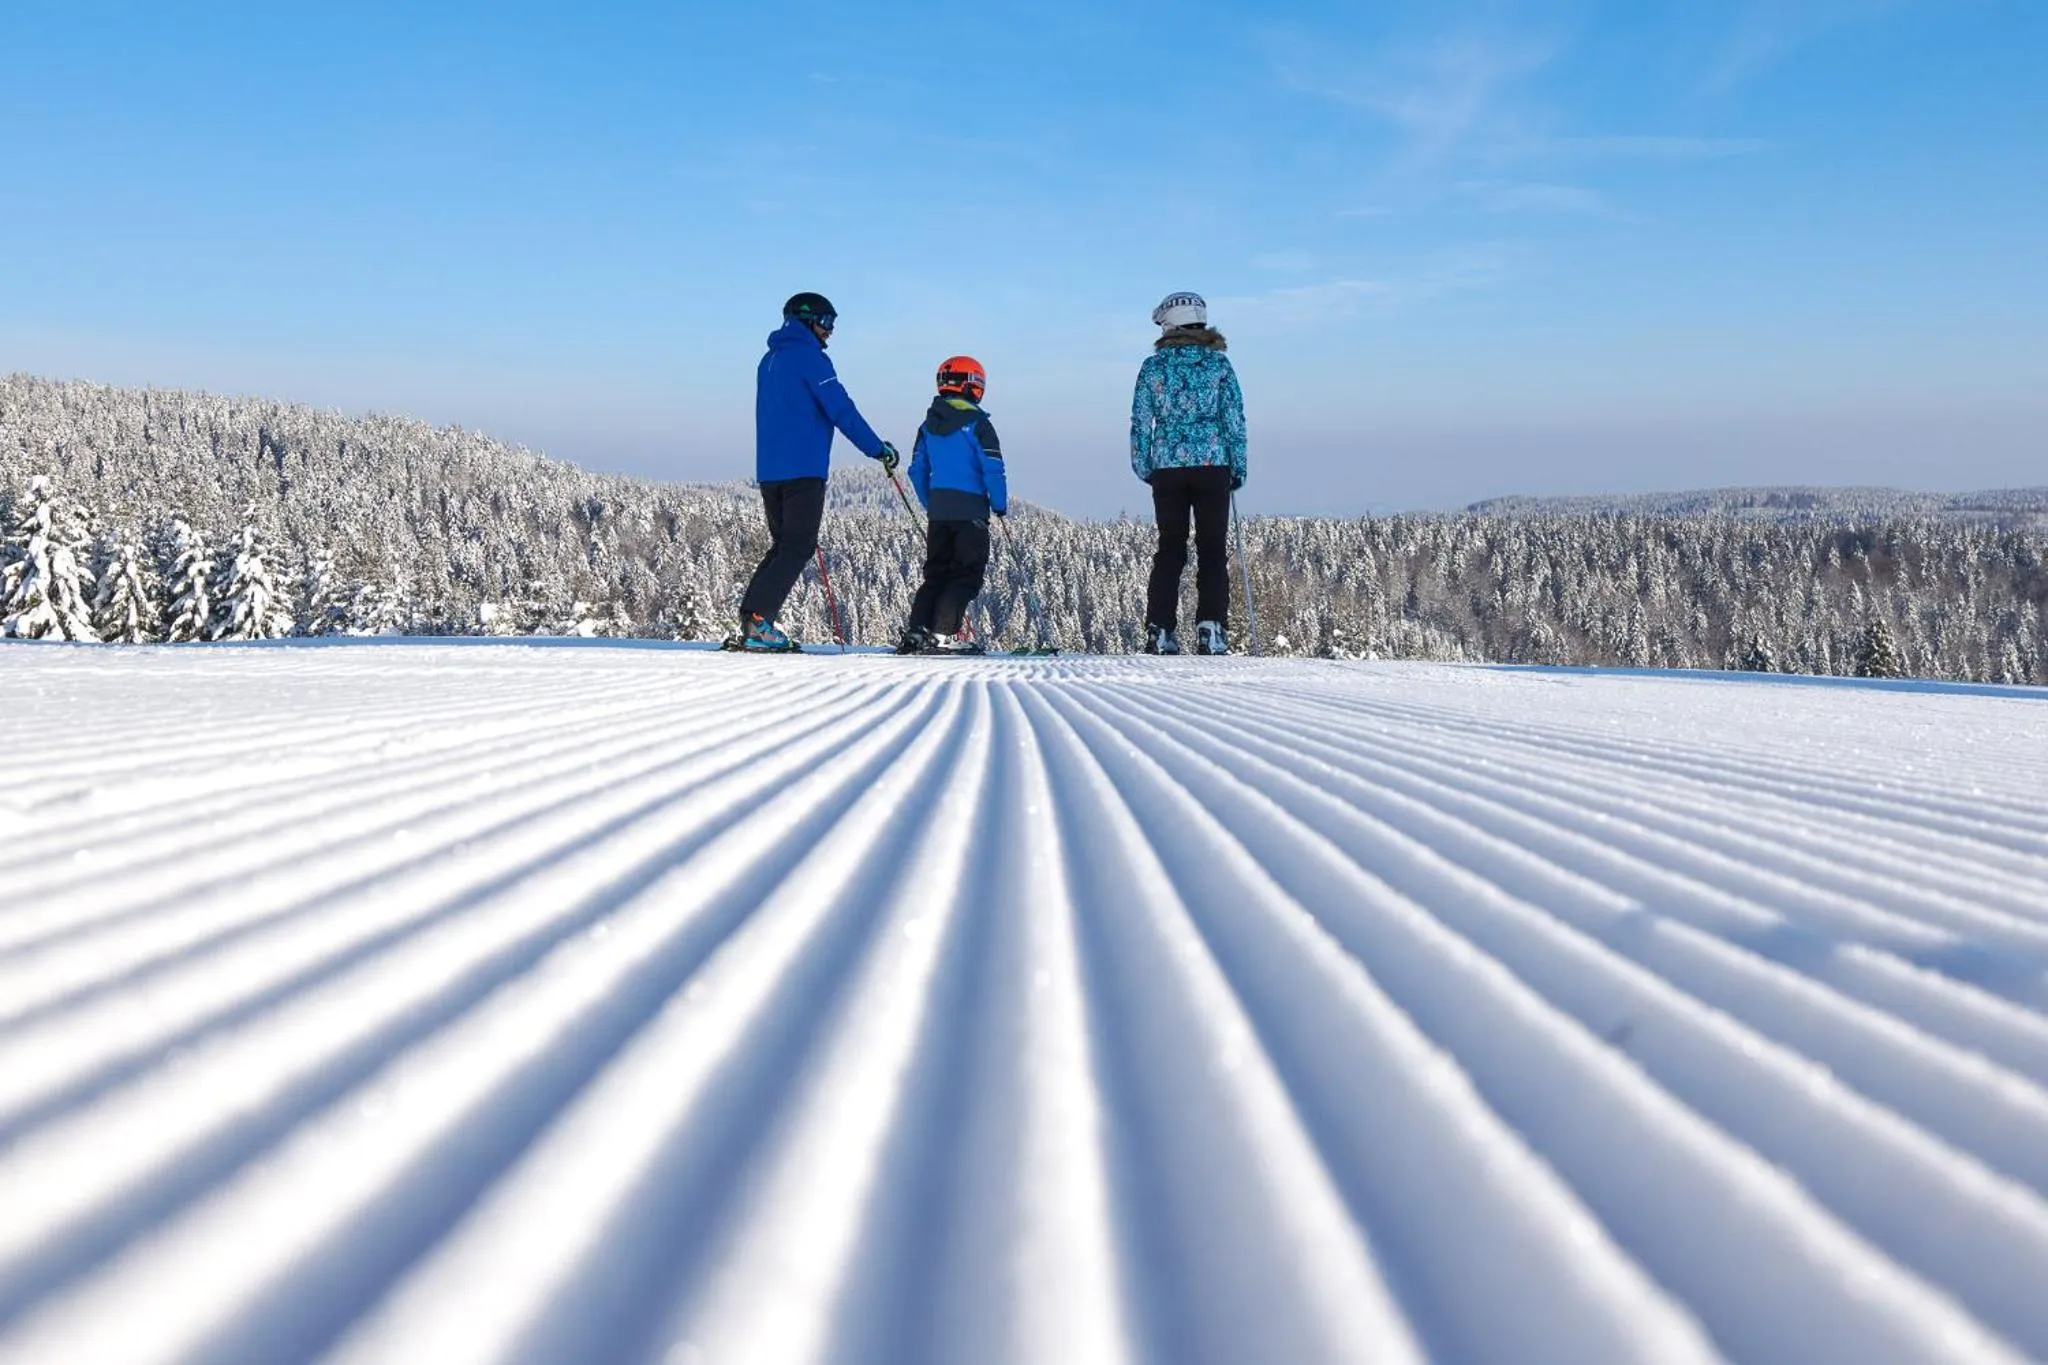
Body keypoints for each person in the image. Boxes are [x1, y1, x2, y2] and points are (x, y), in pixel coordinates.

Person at [733, 291, 899, 651]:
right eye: (827, 323)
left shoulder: (769, 360)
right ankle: (759, 624)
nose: (830, 332)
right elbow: (842, 410)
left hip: (770, 471)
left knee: (783, 546)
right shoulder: (812, 359)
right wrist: (878, 449)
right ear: (808, 320)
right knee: (798, 545)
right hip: (803, 469)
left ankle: (752, 619)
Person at [1130, 290, 1246, 656]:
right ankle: (1211, 628)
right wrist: (1238, 468)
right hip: (1214, 465)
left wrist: (1144, 465)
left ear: (1169, 324)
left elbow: (1139, 421)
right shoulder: (1218, 365)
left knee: (1170, 549)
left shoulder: (1153, 367)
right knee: (1212, 549)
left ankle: (1160, 628)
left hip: (1167, 467)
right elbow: (1234, 420)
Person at [897, 356, 1007, 655]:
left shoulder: (928, 425)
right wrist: (999, 504)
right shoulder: (979, 425)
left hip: (940, 512)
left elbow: (917, 470)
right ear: (971, 385)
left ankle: (917, 632)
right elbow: (993, 467)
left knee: (936, 574)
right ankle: (943, 635)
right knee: (965, 575)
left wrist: (931, 503)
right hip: (971, 511)